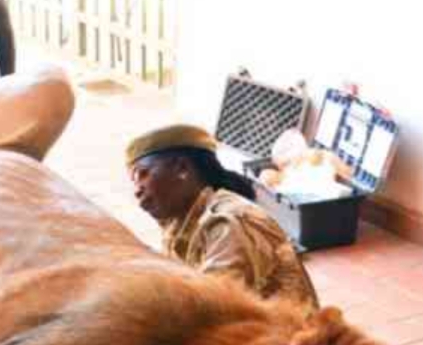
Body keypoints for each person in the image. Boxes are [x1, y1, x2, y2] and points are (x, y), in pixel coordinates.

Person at [126, 124, 320, 311]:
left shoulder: (230, 222)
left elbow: (208, 309)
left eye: (143, 174)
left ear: (182, 169)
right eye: (134, 181)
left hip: (286, 332)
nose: (137, 190)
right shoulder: (179, 219)